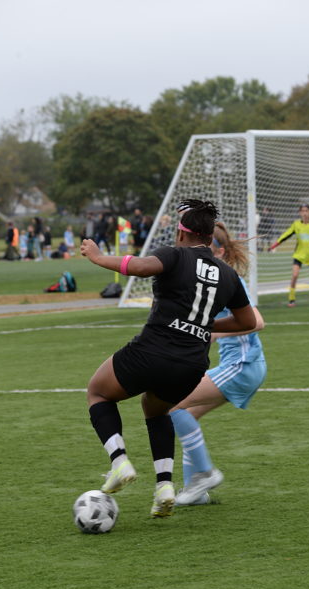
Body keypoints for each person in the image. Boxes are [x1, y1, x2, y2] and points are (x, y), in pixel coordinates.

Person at [80, 199, 256, 518]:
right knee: (156, 409)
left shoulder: (175, 255)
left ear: (182, 233)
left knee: (98, 392)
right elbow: (248, 321)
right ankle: (164, 486)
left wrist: (98, 256)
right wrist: (202, 325)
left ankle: (119, 462)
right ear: (209, 236)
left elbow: (140, 267)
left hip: (153, 351)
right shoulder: (228, 275)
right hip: (192, 365)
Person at [170, 222, 267, 505]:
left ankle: (205, 473)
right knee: (187, 415)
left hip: (242, 365)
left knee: (172, 405)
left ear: (221, 252)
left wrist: (214, 333)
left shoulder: (229, 280)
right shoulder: (210, 282)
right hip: (244, 365)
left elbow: (258, 322)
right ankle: (195, 491)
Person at [269, 204, 309, 307]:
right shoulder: (296, 224)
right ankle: (291, 300)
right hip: (299, 255)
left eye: (306, 211)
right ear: (300, 213)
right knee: (295, 275)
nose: (305, 213)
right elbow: (286, 235)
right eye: (302, 211)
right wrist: (274, 245)